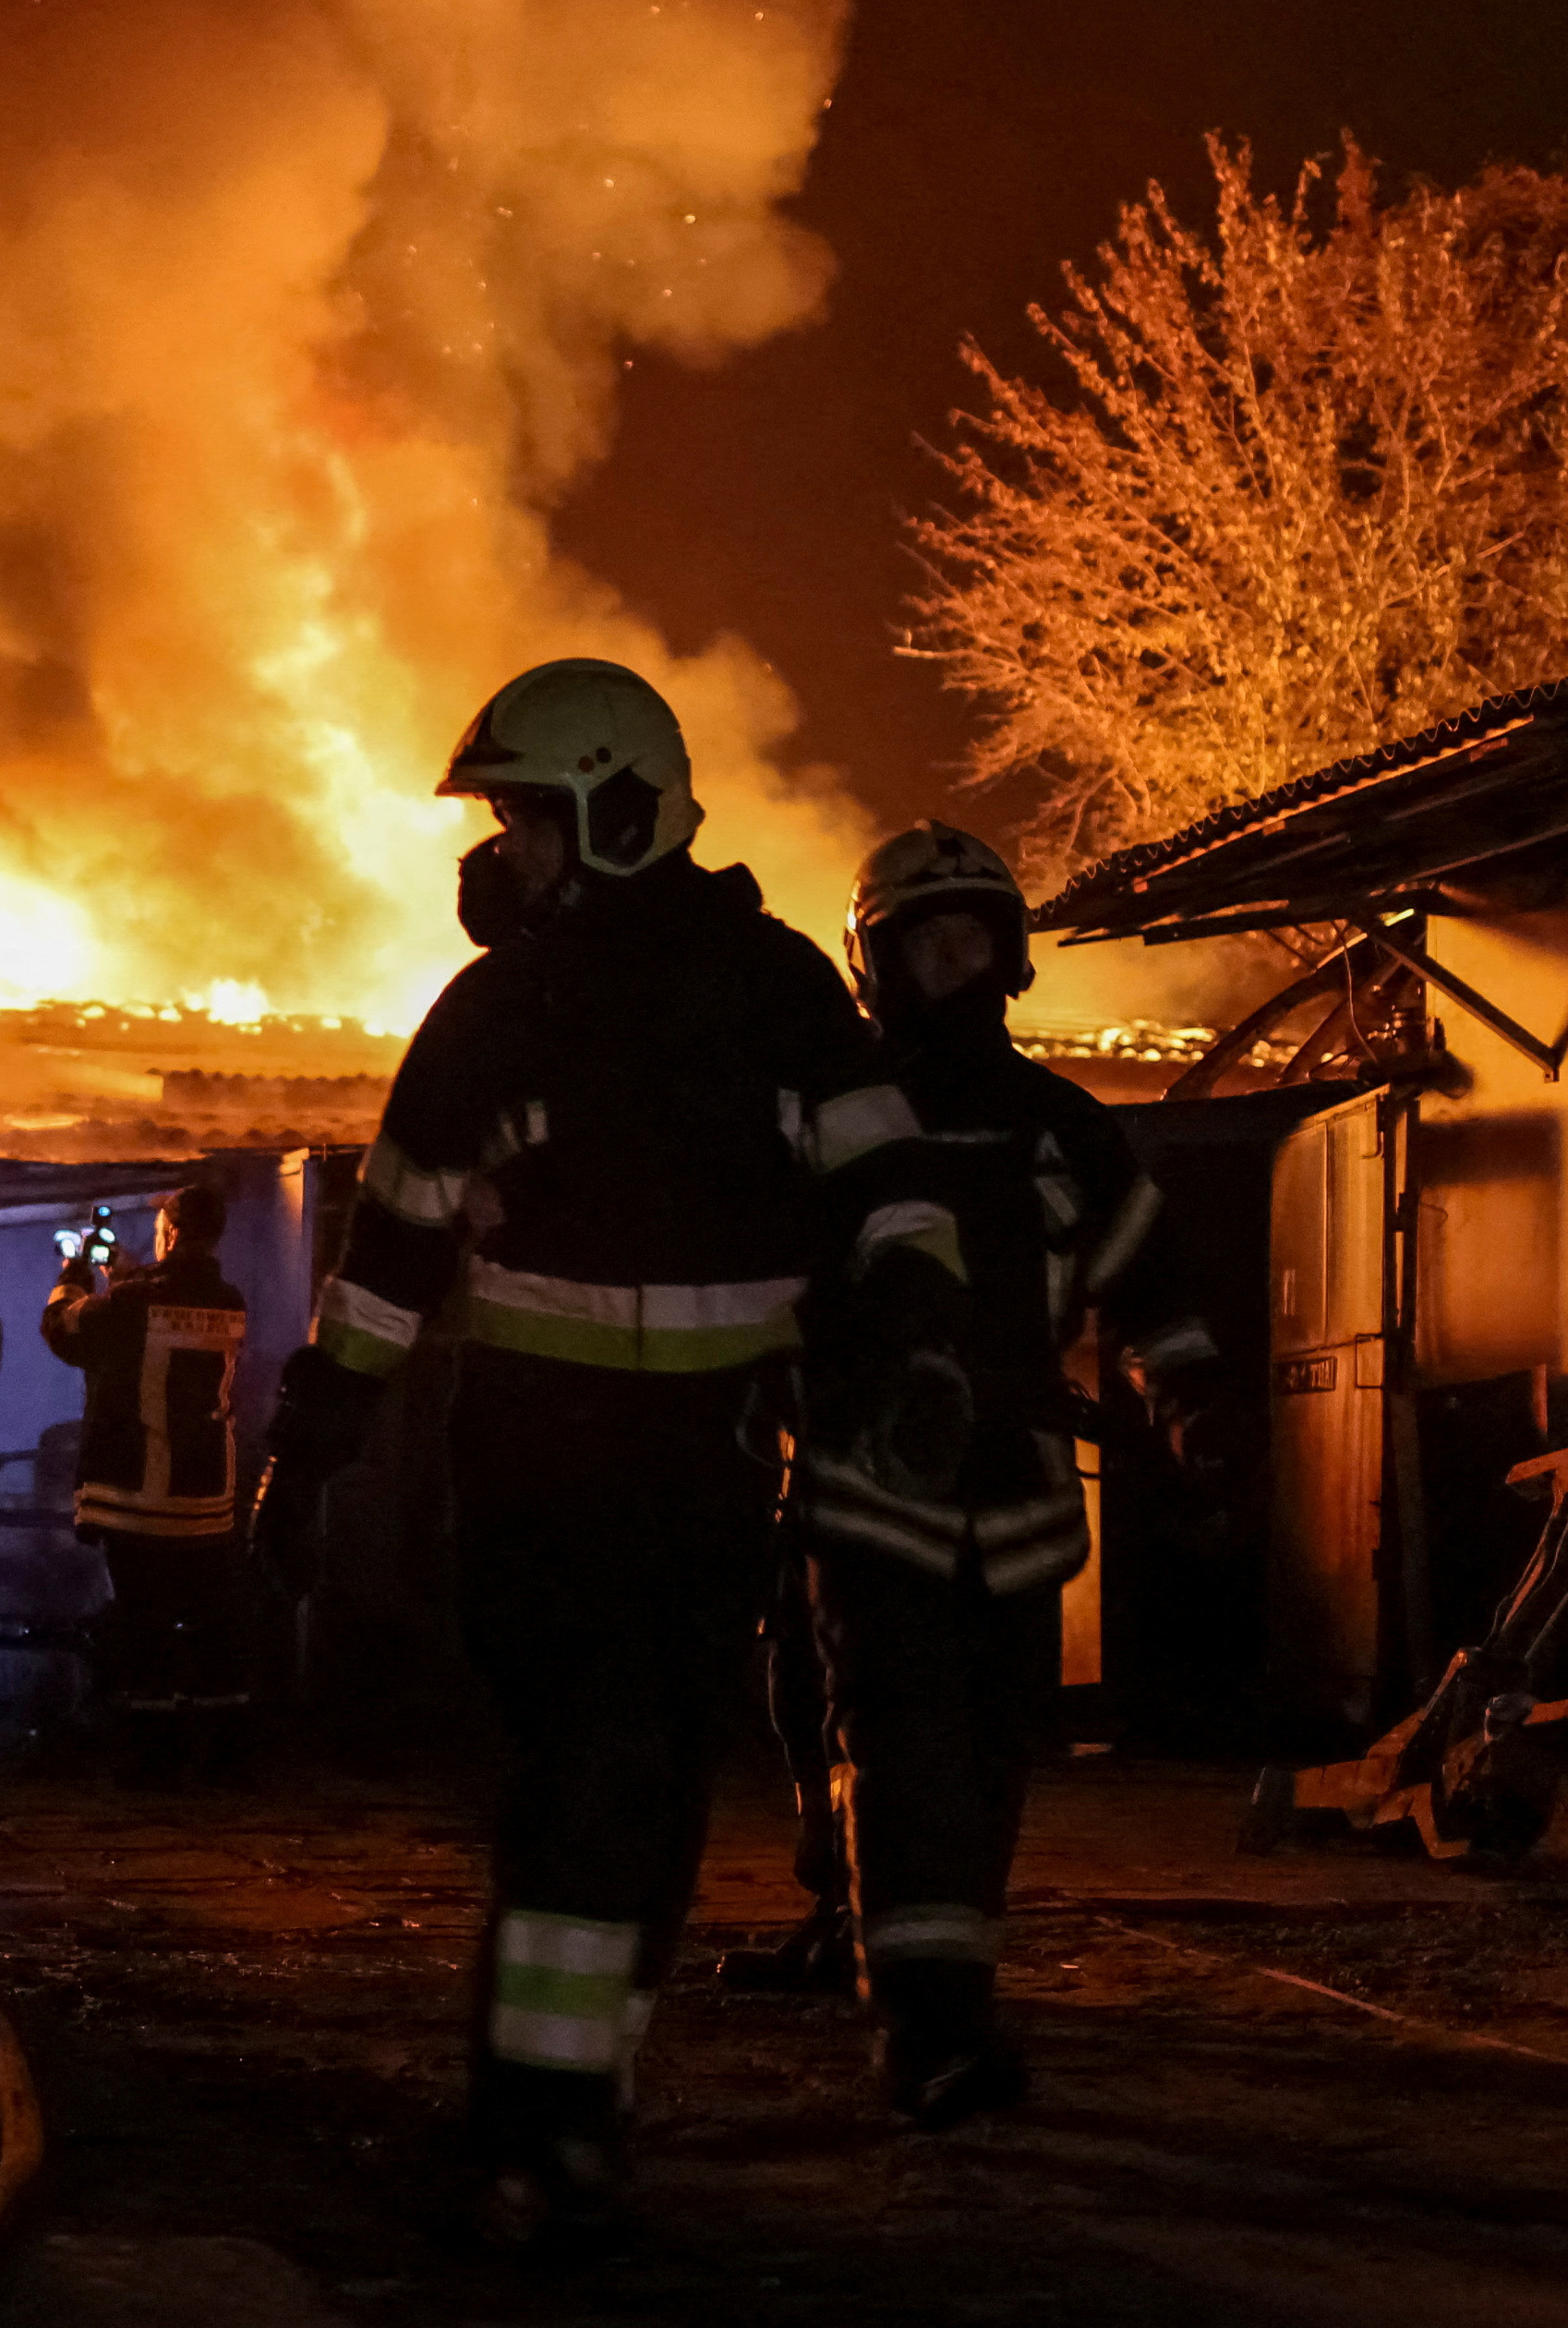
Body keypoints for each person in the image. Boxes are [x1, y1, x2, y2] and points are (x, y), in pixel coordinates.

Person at [253, 660, 967, 2241]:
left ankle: (572, 2095)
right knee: (593, 1775)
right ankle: (546, 2115)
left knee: (648, 1790)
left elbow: (893, 1188)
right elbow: (388, 1254)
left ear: (618, 813)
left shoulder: (768, 991)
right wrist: (315, 1439)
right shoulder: (507, 1011)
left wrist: (915, 1333)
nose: (501, 854)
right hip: (542, 1468)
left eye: (525, 822)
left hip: (704, 1469)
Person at [794, 825, 1160, 2126]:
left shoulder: (1063, 1127)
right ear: (877, 962)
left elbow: (1150, 1281)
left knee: (992, 1758)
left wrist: (1194, 1404)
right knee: (904, 1753)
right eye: (929, 942)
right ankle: (926, 2030)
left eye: (973, 940)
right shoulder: (834, 1120)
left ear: (1009, 959)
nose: (955, 965)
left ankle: (955, 1998)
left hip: (1018, 1497)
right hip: (876, 1490)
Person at [42, 1175, 262, 1778]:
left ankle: (155, 1760)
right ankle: (224, 1758)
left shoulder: (132, 1305)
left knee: (144, 1627)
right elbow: (164, 1314)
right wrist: (128, 1273)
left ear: (170, 1232)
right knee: (209, 1627)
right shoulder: (229, 1301)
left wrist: (74, 1273)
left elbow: (65, 1329)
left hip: (138, 1499)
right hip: (206, 1502)